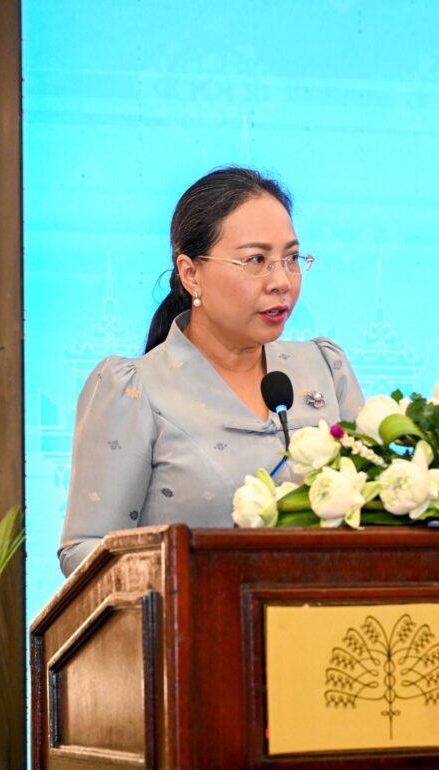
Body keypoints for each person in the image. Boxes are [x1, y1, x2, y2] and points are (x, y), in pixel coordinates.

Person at [58, 167, 364, 576]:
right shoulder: (135, 390)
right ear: (191, 273)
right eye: (256, 260)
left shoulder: (326, 368)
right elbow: (85, 551)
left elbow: (376, 508)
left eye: (291, 258)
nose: (281, 281)